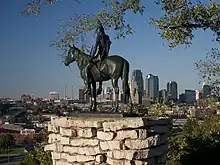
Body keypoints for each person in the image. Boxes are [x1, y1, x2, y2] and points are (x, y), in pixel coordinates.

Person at [84, 21, 112, 95]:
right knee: (100, 69)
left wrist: (92, 57)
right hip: (106, 55)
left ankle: (88, 87)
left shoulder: (99, 36)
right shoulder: (107, 36)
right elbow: (109, 45)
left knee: (87, 68)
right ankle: (100, 87)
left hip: (100, 55)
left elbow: (96, 47)